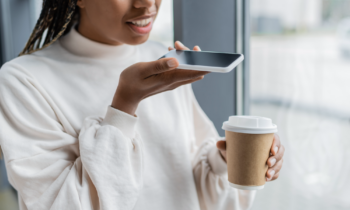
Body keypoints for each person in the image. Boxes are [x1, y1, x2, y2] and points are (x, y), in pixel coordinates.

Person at [0, 0, 285, 209]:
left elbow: (191, 179)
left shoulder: (161, 59)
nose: (147, 3)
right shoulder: (22, 81)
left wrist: (225, 160)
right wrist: (124, 105)